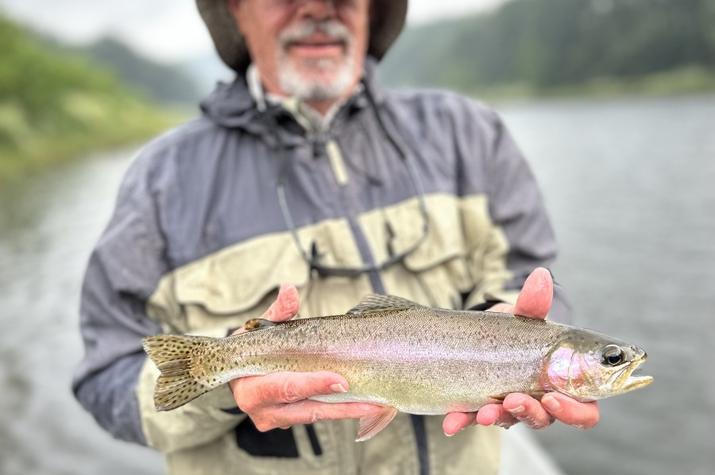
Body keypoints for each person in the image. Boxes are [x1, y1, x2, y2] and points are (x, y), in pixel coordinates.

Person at [72, 0, 600, 473]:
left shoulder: (470, 135)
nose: (318, 8)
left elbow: (532, 281)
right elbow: (104, 381)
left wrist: (503, 329)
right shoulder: (162, 181)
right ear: (234, 8)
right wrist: (223, 391)